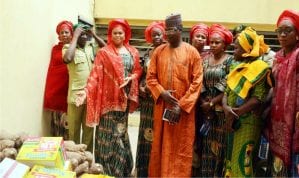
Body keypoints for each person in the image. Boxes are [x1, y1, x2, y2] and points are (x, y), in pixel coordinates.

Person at [75, 18, 142, 177]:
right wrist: (85, 92)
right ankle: (104, 171)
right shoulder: (104, 53)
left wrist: (131, 78)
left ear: (125, 34)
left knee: (120, 136)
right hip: (107, 104)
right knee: (106, 139)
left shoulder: (133, 51)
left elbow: (138, 70)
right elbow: (95, 76)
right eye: (115, 33)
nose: (118, 36)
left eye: (120, 33)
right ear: (110, 35)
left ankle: (121, 171)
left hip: (123, 103)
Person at [146, 13, 203, 177]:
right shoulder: (158, 52)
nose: (168, 33)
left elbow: (197, 82)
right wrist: (161, 92)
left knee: (180, 149)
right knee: (160, 146)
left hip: (183, 114)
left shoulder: (192, 53)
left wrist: (182, 105)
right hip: (162, 108)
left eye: (172, 29)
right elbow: (151, 77)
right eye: (167, 30)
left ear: (180, 30)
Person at [222, 27, 273, 177]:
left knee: (243, 159)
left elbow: (258, 99)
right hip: (231, 119)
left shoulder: (261, 68)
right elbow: (227, 91)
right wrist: (226, 108)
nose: (233, 49)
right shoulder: (235, 65)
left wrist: (235, 113)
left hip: (248, 122)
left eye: (237, 47)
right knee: (230, 158)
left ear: (246, 49)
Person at [193, 24, 233, 177]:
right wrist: (204, 102)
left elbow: (229, 85)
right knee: (207, 145)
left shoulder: (230, 61)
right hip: (205, 109)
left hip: (221, 111)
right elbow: (199, 81)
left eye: (218, 43)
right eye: (213, 42)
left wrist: (212, 103)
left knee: (219, 146)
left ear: (225, 45)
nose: (214, 45)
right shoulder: (205, 61)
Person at [63, 19, 106, 152]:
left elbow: (106, 48)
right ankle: (74, 158)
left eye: (85, 34)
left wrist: (93, 34)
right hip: (75, 97)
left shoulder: (90, 48)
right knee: (74, 130)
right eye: (81, 34)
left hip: (91, 95)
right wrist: (74, 36)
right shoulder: (67, 48)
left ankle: (86, 159)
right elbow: (67, 59)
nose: (84, 36)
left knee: (88, 131)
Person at [266, 9, 299, 177]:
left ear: (298, 34)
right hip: (277, 118)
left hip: (296, 119)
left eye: (288, 30)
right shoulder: (277, 57)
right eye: (280, 31)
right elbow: (274, 86)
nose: (283, 34)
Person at [135, 21, 165, 178]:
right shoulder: (147, 53)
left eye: (159, 34)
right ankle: (142, 170)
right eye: (154, 35)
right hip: (146, 101)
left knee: (157, 134)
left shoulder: (168, 53)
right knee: (144, 132)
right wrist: (141, 86)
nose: (157, 37)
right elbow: (143, 74)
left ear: (164, 35)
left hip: (159, 100)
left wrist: (153, 88)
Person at [43, 20, 73, 140]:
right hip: (56, 90)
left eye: (67, 32)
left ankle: (68, 148)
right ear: (58, 35)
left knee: (68, 123)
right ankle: (56, 149)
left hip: (69, 89)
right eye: (62, 32)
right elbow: (53, 71)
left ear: (71, 34)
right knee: (56, 122)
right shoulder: (55, 49)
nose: (64, 35)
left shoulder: (74, 48)